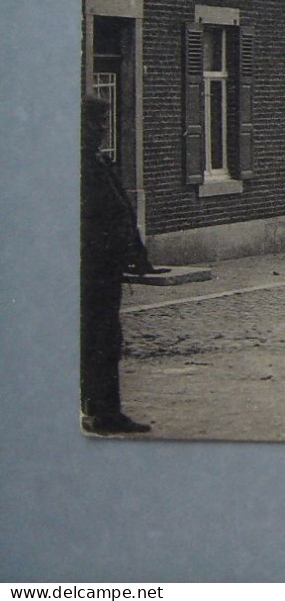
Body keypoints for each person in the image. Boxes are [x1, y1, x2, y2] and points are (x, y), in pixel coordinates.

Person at [80, 96, 153, 435]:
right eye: (96, 123)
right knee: (97, 339)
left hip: (105, 269)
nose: (103, 130)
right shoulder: (79, 167)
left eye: (105, 123)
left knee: (106, 338)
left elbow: (120, 210)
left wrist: (137, 255)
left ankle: (105, 409)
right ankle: (99, 412)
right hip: (90, 271)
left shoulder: (98, 162)